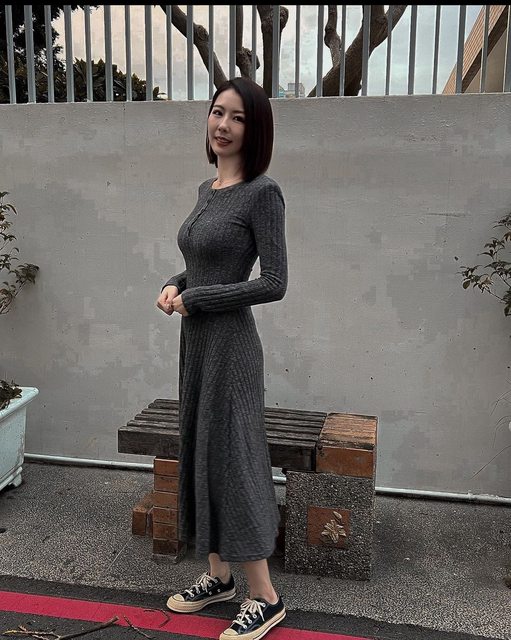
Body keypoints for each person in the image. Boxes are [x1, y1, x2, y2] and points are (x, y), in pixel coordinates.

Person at [155, 76, 288, 640]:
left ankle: (266, 597)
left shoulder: (263, 193)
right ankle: (219, 577)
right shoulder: (207, 190)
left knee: (234, 459)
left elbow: (275, 282)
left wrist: (199, 298)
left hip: (231, 347)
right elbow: (202, 263)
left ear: (255, 131)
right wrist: (175, 282)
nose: (223, 125)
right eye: (217, 112)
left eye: (238, 117)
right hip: (196, 343)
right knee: (201, 449)